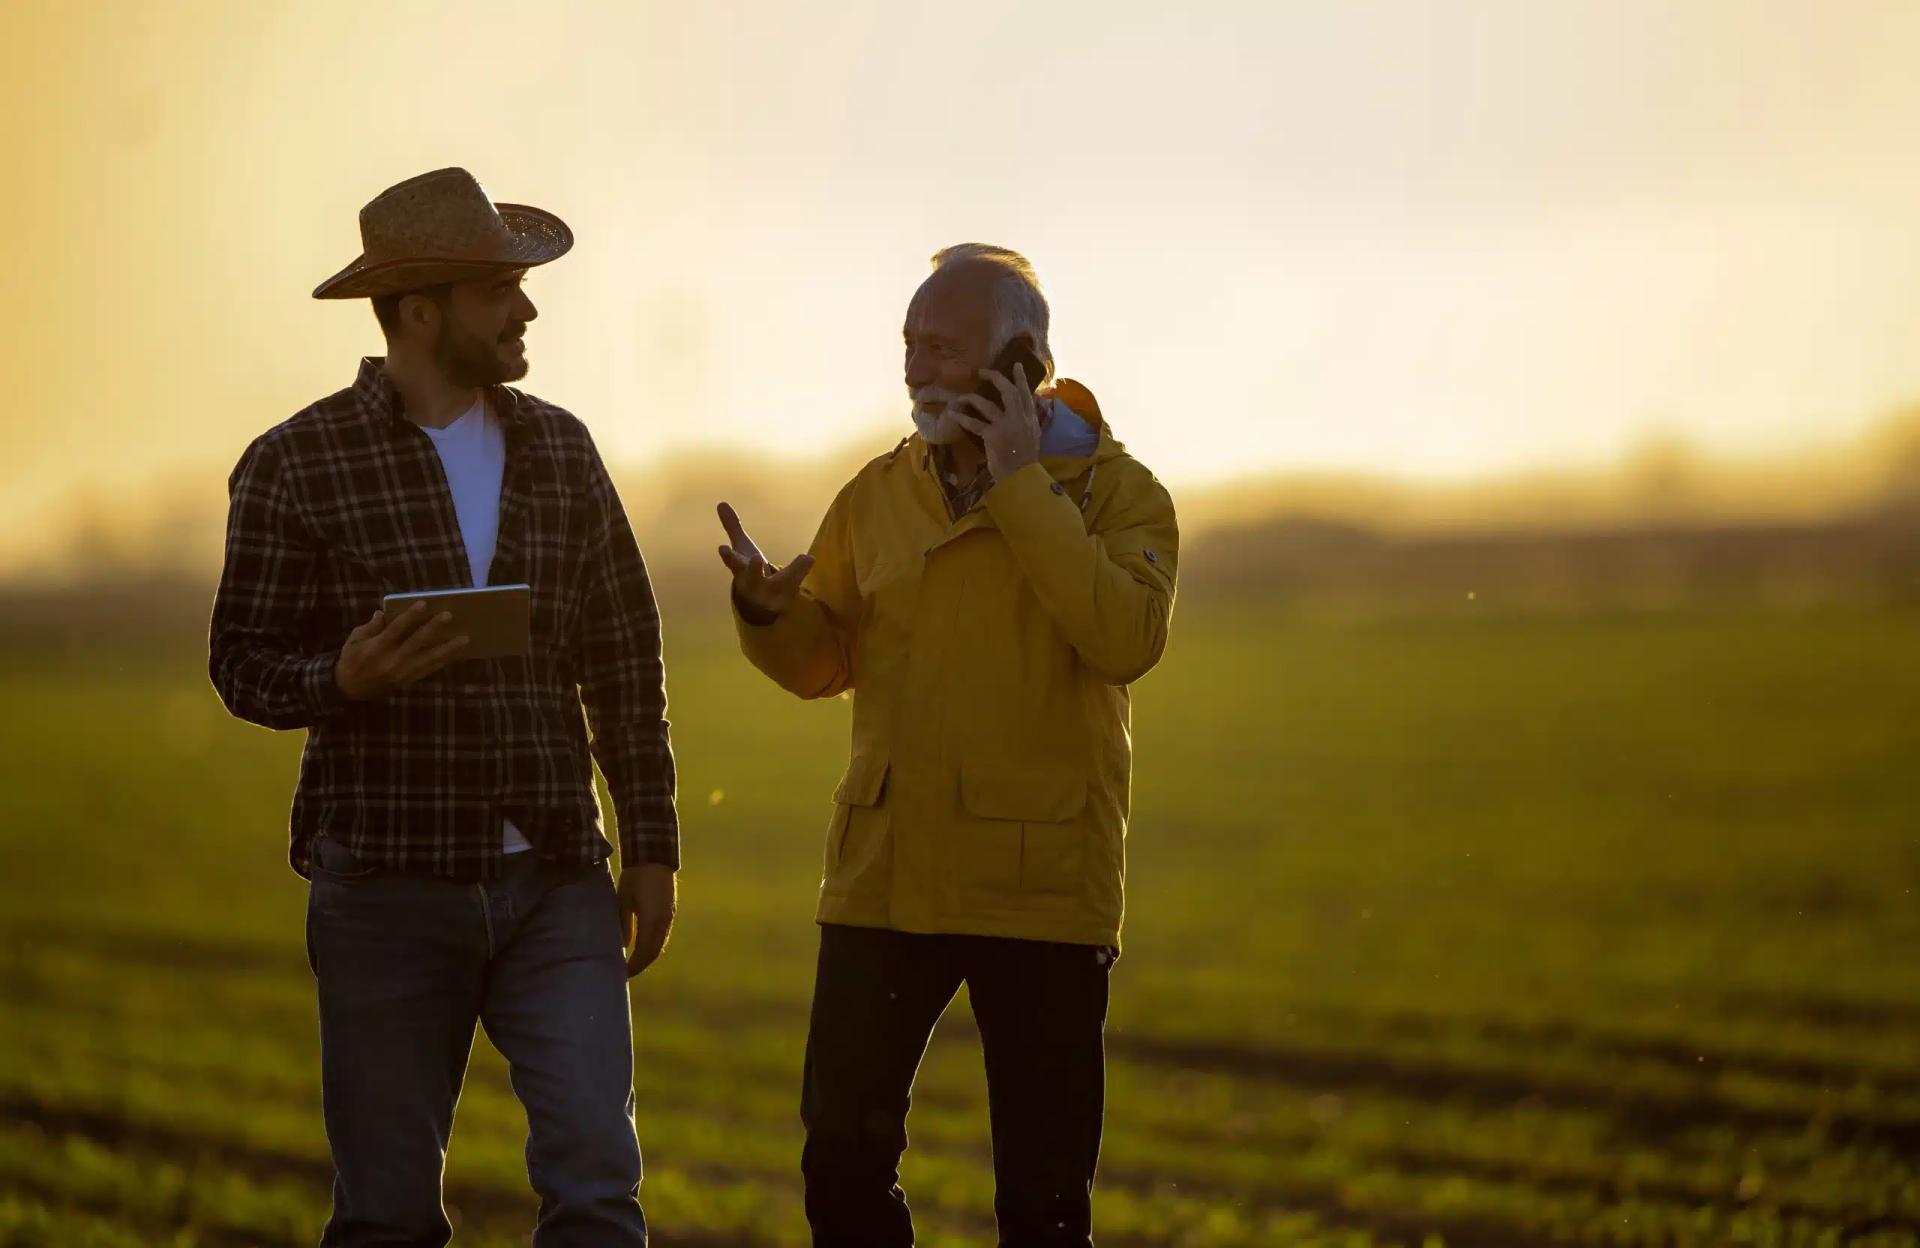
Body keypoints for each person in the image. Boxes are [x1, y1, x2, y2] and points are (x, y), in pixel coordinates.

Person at [208, 167, 677, 1247]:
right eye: (497, 289)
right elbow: (240, 662)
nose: (527, 311)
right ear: (421, 309)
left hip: (558, 876)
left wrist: (649, 845)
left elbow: (624, 655)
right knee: (386, 1217)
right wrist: (343, 678)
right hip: (383, 889)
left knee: (600, 1188)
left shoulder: (562, 449)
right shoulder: (296, 464)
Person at [718, 243, 1179, 1246]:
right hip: (886, 878)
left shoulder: (1119, 496)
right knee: (840, 1160)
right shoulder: (876, 494)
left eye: (944, 345)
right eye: (909, 344)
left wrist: (1021, 488)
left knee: (1044, 1207)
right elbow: (822, 663)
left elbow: (1124, 639)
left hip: (1043, 889)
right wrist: (768, 615)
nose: (917, 366)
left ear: (1021, 364)